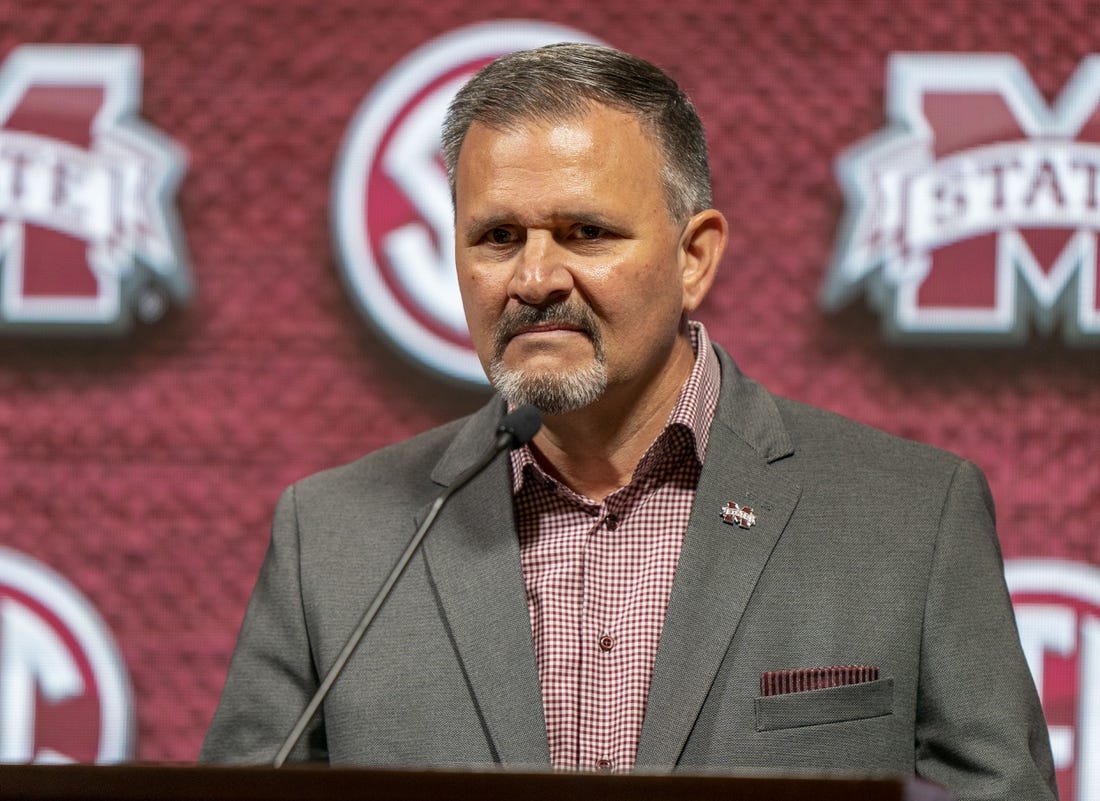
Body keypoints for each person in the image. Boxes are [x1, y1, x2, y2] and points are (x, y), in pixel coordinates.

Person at [201, 43, 1058, 800]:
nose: (535, 276)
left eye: (586, 232)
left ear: (695, 256)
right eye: (496, 236)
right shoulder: (335, 538)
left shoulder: (912, 515)